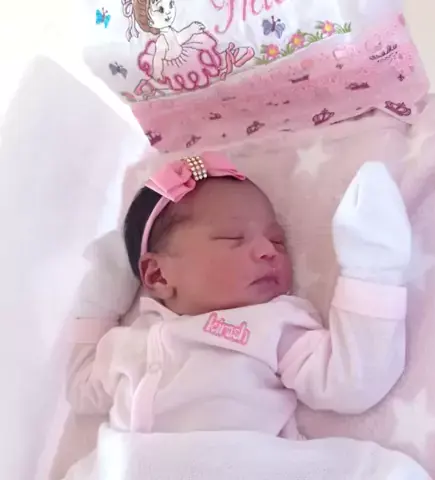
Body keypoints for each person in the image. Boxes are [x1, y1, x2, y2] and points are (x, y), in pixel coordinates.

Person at [67, 151, 411, 437]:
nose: (268, 251)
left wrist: (372, 270)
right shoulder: (128, 343)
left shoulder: (275, 324)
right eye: (232, 238)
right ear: (157, 275)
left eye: (277, 241)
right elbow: (81, 390)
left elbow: (352, 380)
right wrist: (102, 295)